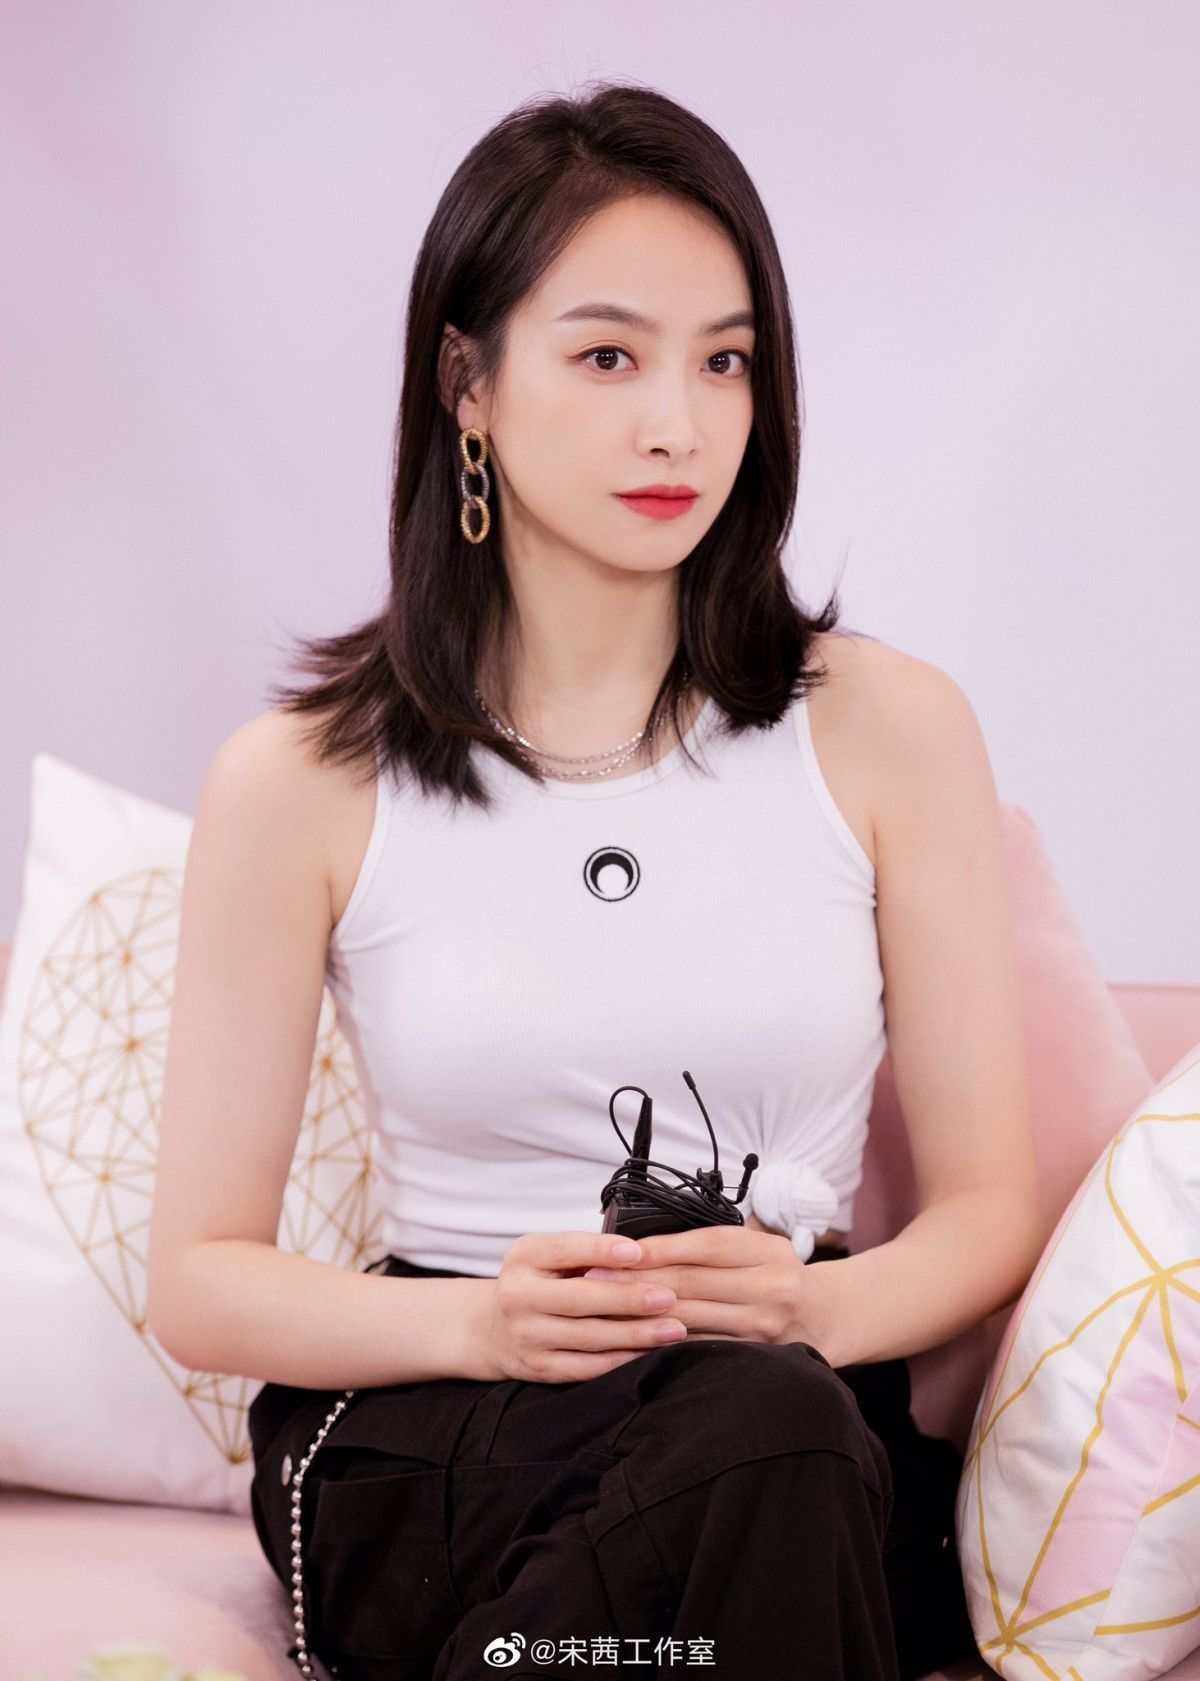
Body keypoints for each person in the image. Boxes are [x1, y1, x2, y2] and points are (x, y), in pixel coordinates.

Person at [147, 81, 1044, 1681]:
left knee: (773, 1437)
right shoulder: (301, 780)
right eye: (610, 356)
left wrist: (810, 1310)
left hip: (787, 1404)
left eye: (726, 360)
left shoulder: (892, 731)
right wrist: (482, 1323)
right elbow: (201, 1283)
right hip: (444, 1424)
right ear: (467, 384)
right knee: (773, 1473)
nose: (678, 425)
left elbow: (987, 1210)